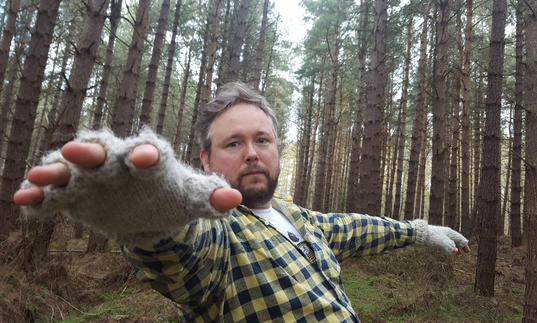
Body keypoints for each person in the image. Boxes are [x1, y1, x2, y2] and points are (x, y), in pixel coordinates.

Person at [14, 82, 470, 322]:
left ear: (276, 151)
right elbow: (185, 257)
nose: (252, 152)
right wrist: (149, 218)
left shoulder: (300, 217)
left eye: (262, 139)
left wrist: (419, 231)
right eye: (233, 143)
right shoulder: (219, 231)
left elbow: (358, 228)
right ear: (205, 160)